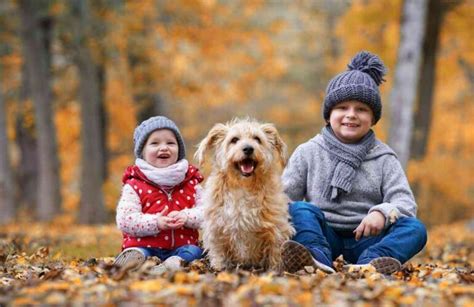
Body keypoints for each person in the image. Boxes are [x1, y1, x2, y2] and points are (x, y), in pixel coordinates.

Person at [280, 51, 427, 275]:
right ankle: (315, 257)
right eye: (342, 108)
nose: (351, 115)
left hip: (367, 237)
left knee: (415, 229)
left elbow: (405, 203)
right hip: (323, 233)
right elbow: (283, 199)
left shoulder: (384, 157)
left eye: (361, 109)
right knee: (298, 209)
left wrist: (382, 213)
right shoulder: (308, 151)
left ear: (373, 118)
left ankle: (370, 262)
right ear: (329, 114)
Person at [114, 116, 204, 272]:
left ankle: (171, 265)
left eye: (170, 143)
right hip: (143, 245)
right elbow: (125, 220)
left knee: (194, 252)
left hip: (181, 247)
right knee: (138, 252)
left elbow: (209, 213)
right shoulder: (135, 184)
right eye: (155, 143)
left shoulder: (191, 182)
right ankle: (133, 260)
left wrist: (187, 217)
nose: (164, 148)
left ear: (179, 150)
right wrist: (156, 222)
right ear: (142, 151)